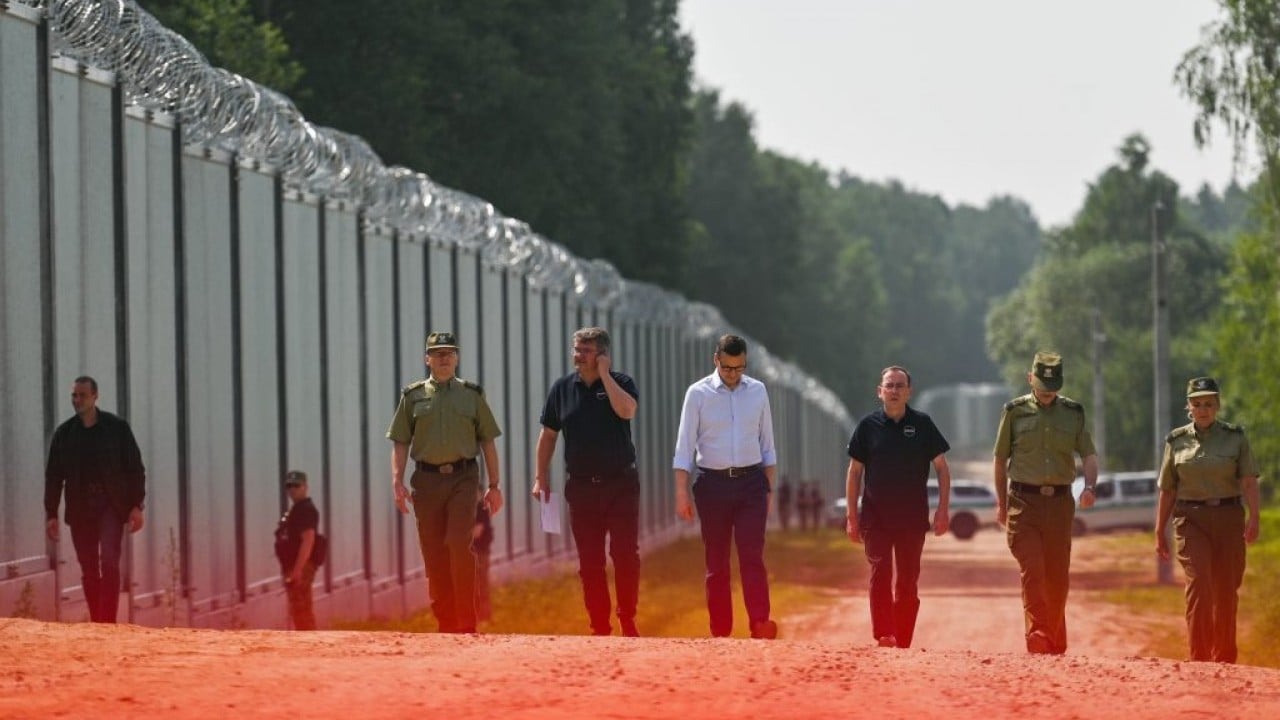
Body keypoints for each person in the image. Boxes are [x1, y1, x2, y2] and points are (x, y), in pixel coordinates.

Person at [387, 331, 503, 634]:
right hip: (426, 482)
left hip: (464, 479)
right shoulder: (412, 397)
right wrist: (397, 482)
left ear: (457, 358)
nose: (443, 358)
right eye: (437, 353)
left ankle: (466, 620)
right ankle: (446, 621)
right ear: (427, 359)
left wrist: (494, 485)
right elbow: (400, 441)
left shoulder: (472, 395)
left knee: (457, 543)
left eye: (449, 353)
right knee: (433, 551)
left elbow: (488, 440)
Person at [533, 327, 641, 636]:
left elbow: (627, 411)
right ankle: (599, 624)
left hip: (621, 484)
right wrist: (540, 478)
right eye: (576, 350)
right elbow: (549, 435)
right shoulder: (562, 389)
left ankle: (627, 617)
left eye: (586, 351)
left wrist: (605, 376)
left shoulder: (621, 383)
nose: (578, 356)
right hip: (581, 488)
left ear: (603, 355)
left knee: (624, 554)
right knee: (590, 561)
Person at [674, 334, 778, 640]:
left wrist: (769, 489)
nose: (734, 375)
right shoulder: (698, 394)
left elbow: (768, 445)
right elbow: (684, 447)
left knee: (752, 554)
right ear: (716, 360)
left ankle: (760, 622)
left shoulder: (757, 391)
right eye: (728, 368)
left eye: (740, 368)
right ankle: (720, 630)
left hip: (751, 484)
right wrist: (681, 491)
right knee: (716, 560)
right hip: (712, 484)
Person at [993, 351, 1098, 655]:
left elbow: (1089, 455)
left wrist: (1090, 486)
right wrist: (1002, 503)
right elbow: (1000, 460)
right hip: (1023, 503)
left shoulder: (1074, 413)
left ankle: (1051, 636)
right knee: (1033, 569)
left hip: (1060, 505)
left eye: (1053, 385)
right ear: (1030, 379)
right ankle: (1039, 631)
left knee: (1057, 575)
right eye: (1042, 384)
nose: (1048, 391)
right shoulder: (1014, 412)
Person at [1155, 377, 1261, 663]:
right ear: (1189, 406)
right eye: (1197, 404)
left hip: (1228, 518)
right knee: (1200, 582)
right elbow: (1168, 489)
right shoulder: (1176, 441)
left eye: (1209, 404)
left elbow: (1249, 481)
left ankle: (1224, 657)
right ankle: (1199, 658)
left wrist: (1254, 517)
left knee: (1226, 589)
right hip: (1191, 519)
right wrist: (1159, 530)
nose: (1203, 409)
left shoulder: (1235, 437)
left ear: (1217, 406)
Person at [845, 366, 952, 649]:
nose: (894, 391)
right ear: (879, 391)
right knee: (880, 572)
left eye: (899, 386)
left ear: (908, 392)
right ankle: (885, 634)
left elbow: (941, 468)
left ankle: (902, 638)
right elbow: (854, 473)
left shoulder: (923, 424)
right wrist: (852, 517)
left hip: (912, 519)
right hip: (875, 517)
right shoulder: (868, 427)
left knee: (907, 580)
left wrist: (943, 509)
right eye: (889, 386)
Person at [44, 376, 146, 624]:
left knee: (110, 561)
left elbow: (135, 468)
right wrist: (52, 514)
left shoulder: (117, 428)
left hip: (110, 504)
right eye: (74, 395)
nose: (77, 400)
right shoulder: (64, 435)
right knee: (89, 568)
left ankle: (108, 623)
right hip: (80, 508)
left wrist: (137, 506)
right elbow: (54, 476)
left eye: (82, 395)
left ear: (95, 397)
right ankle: (97, 622)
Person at [274, 470, 319, 630]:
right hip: (294, 565)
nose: (292, 489)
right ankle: (307, 640)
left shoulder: (306, 510)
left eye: (296, 485)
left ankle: (308, 643)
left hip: (300, 565)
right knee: (299, 607)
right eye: (289, 486)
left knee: (301, 608)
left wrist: (297, 570)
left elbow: (308, 540)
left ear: (305, 487)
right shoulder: (296, 509)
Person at [472, 495, 494, 624]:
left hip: (480, 552)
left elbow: (477, 532)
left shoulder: (481, 510)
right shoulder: (465, 508)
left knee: (481, 583)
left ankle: (484, 615)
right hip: (472, 551)